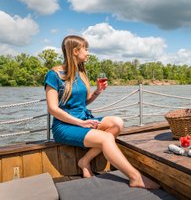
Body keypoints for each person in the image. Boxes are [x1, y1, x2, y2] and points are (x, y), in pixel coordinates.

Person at [44, 35, 159, 189]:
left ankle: (85, 161)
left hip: (84, 119)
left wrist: (97, 91)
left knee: (117, 123)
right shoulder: (54, 75)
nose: (88, 53)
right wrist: (80, 122)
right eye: (86, 49)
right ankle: (135, 177)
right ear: (75, 51)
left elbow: (82, 103)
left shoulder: (81, 72)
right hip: (65, 126)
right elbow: (53, 108)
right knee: (106, 139)